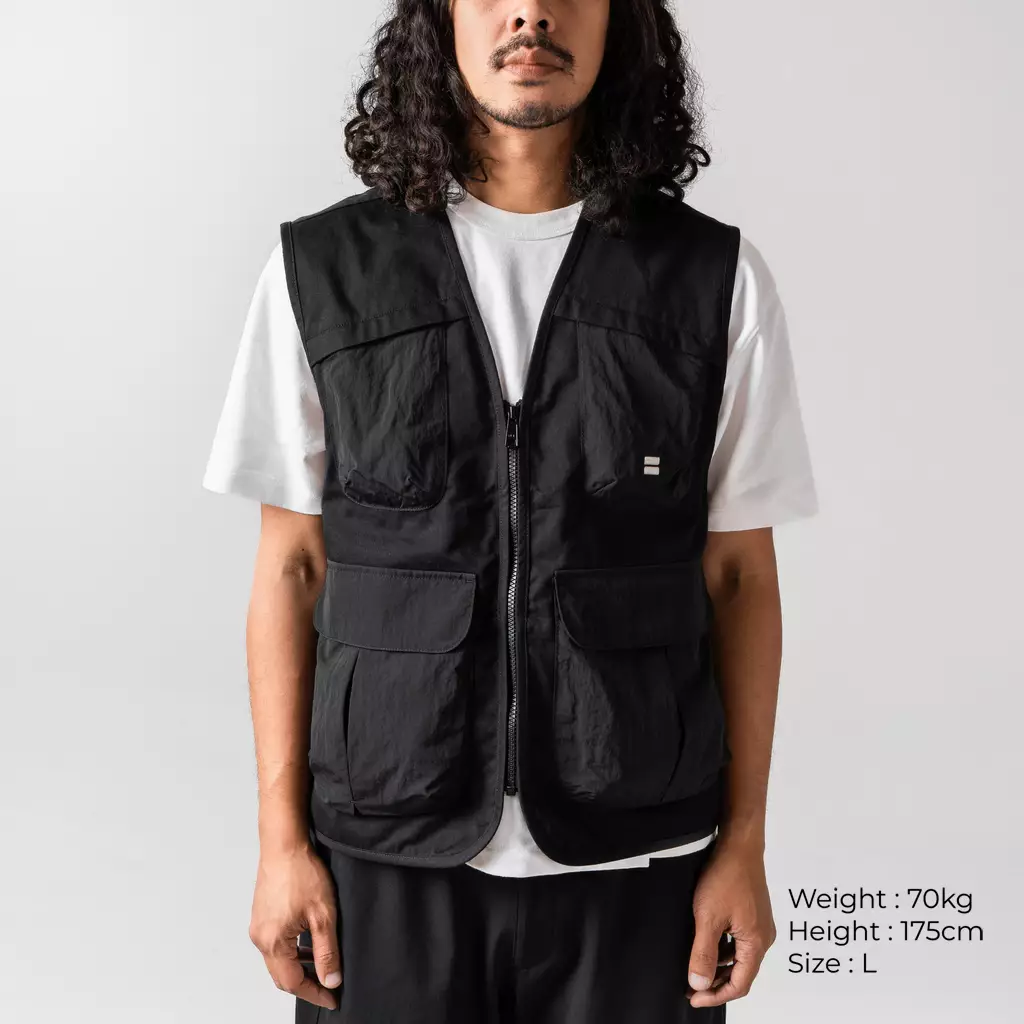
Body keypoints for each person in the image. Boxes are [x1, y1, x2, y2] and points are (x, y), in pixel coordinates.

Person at [203, 0, 818, 1020]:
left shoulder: (713, 280)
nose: (530, 11)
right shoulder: (323, 271)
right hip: (382, 856)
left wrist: (743, 845)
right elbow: (291, 567)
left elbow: (740, 576)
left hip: (641, 856)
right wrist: (279, 846)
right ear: (439, 18)